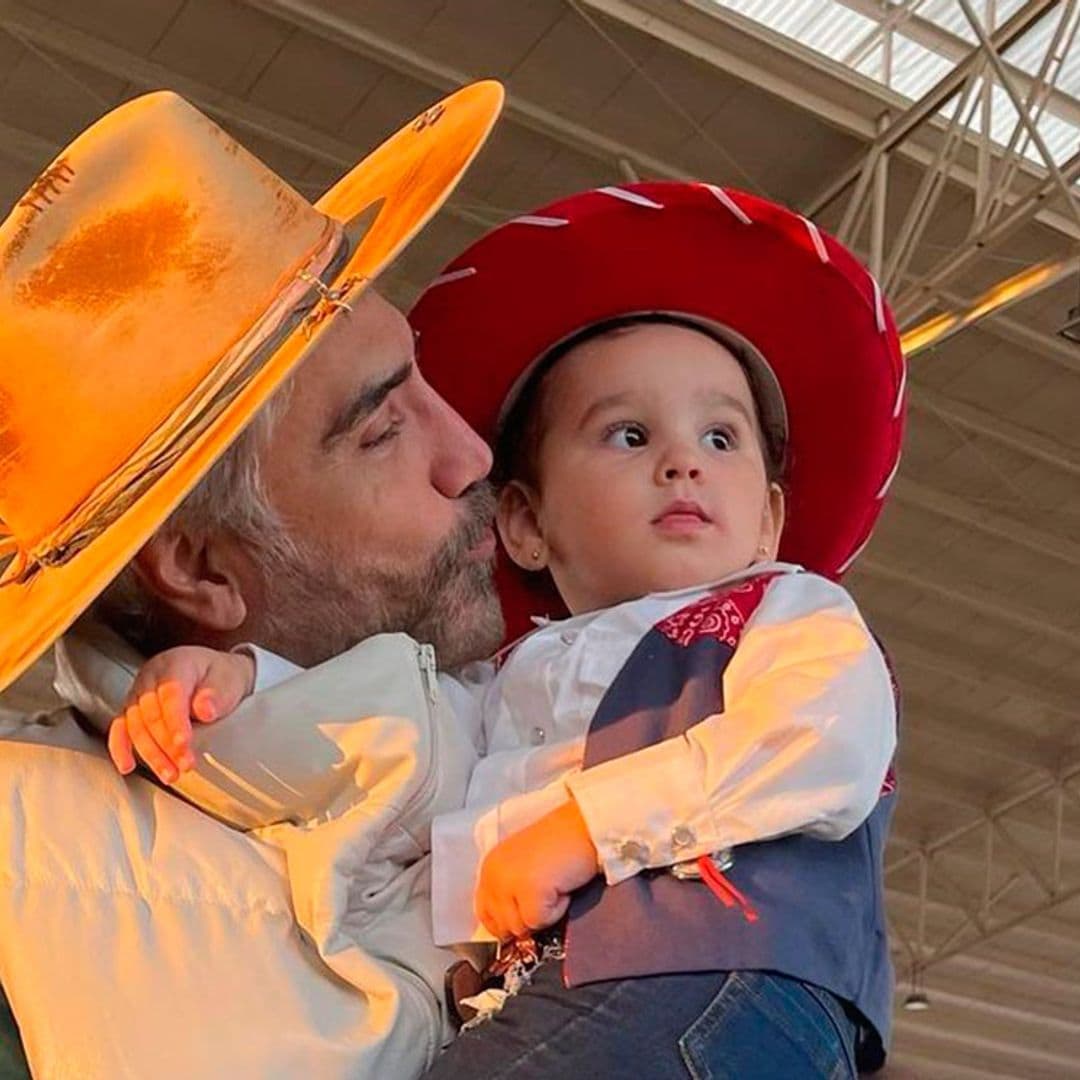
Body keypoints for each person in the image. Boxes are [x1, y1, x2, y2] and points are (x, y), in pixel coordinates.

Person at [113, 182, 905, 1076]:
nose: (683, 459)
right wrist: (241, 687)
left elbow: (825, 748)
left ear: (767, 519)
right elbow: (397, 734)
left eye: (722, 439)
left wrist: (586, 827)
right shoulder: (512, 681)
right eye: (629, 435)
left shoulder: (790, 613)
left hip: (715, 974)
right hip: (564, 997)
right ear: (524, 523)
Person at [0, 81, 507, 1078]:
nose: (471, 455)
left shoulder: (572, 724)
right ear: (198, 569)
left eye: (426, 382)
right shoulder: (26, 898)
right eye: (382, 429)